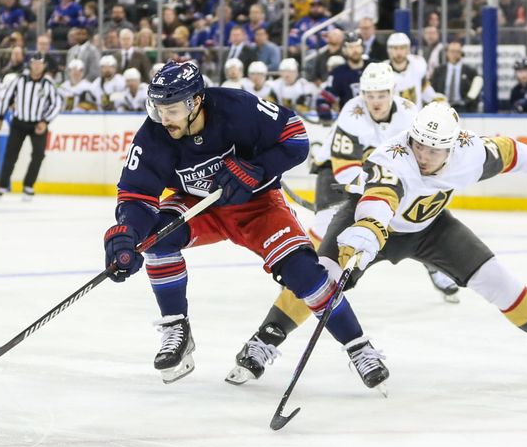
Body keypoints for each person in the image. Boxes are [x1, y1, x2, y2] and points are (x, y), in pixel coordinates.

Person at [231, 101, 527, 384]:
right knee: (318, 278)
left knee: (495, 277)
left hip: (430, 228)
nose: (422, 155)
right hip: (371, 222)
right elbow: (380, 195)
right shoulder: (393, 157)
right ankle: (265, 341)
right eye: (418, 144)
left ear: (454, 148)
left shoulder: (471, 154)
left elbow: (511, 153)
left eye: (433, 150)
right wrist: (367, 232)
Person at [103, 61, 386, 389]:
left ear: (196, 102)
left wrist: (258, 168)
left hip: (259, 205)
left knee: (304, 273)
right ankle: (176, 327)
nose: (164, 119)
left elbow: (295, 138)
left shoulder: (236, 107)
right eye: (159, 108)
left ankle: (358, 347)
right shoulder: (153, 135)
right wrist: (127, 234)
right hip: (199, 206)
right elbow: (136, 196)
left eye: (173, 109)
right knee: (154, 239)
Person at [226, 65, 457, 385]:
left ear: (394, 93)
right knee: (322, 271)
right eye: (370, 95)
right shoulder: (352, 113)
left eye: (382, 95)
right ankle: (264, 341)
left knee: (425, 234)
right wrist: (379, 195)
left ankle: (434, 267)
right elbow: (347, 172)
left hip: (396, 202)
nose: (375, 101)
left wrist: (390, 195)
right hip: (347, 189)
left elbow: (424, 168)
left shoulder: (411, 115)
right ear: (361, 95)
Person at [0, 53, 62, 200]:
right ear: (30, 64)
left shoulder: (48, 84)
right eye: (34, 63)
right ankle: (2, 185)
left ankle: (28, 185)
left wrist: (45, 121)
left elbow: (57, 103)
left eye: (40, 64)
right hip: (19, 122)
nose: (37, 66)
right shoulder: (19, 80)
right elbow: (7, 97)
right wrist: (0, 116)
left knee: (38, 155)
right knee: (11, 155)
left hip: (38, 124)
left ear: (44, 66)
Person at [430, 41, 483, 113]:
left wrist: (466, 102)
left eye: (457, 52)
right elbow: (433, 89)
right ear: (447, 53)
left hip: (464, 108)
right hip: (442, 107)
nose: (454, 54)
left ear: (461, 54)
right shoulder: (439, 70)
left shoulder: (470, 71)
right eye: (452, 51)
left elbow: (474, 92)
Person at [387, 32, 436, 109]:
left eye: (402, 48)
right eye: (395, 48)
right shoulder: (383, 71)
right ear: (389, 50)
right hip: (394, 118)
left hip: (416, 117)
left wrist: (437, 100)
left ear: (408, 49)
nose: (399, 52)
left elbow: (425, 89)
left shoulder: (417, 64)